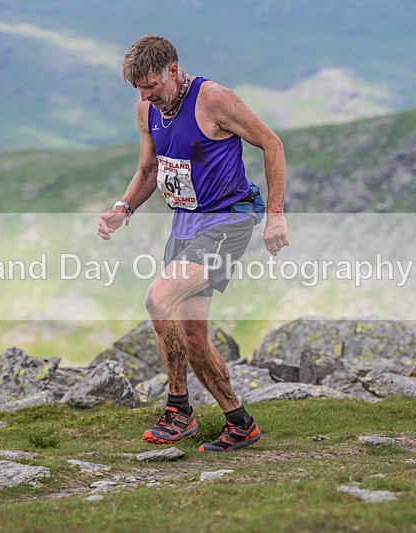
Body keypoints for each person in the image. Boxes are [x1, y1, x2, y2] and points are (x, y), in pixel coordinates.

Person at [97, 34, 290, 452]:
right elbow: (150, 170)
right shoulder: (145, 109)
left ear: (173, 69)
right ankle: (240, 423)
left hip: (228, 221)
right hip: (185, 225)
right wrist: (123, 208)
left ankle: (178, 411)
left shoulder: (213, 100)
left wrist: (275, 215)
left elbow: (272, 144)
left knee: (157, 298)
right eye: (140, 90)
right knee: (193, 335)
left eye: (152, 85)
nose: (148, 95)